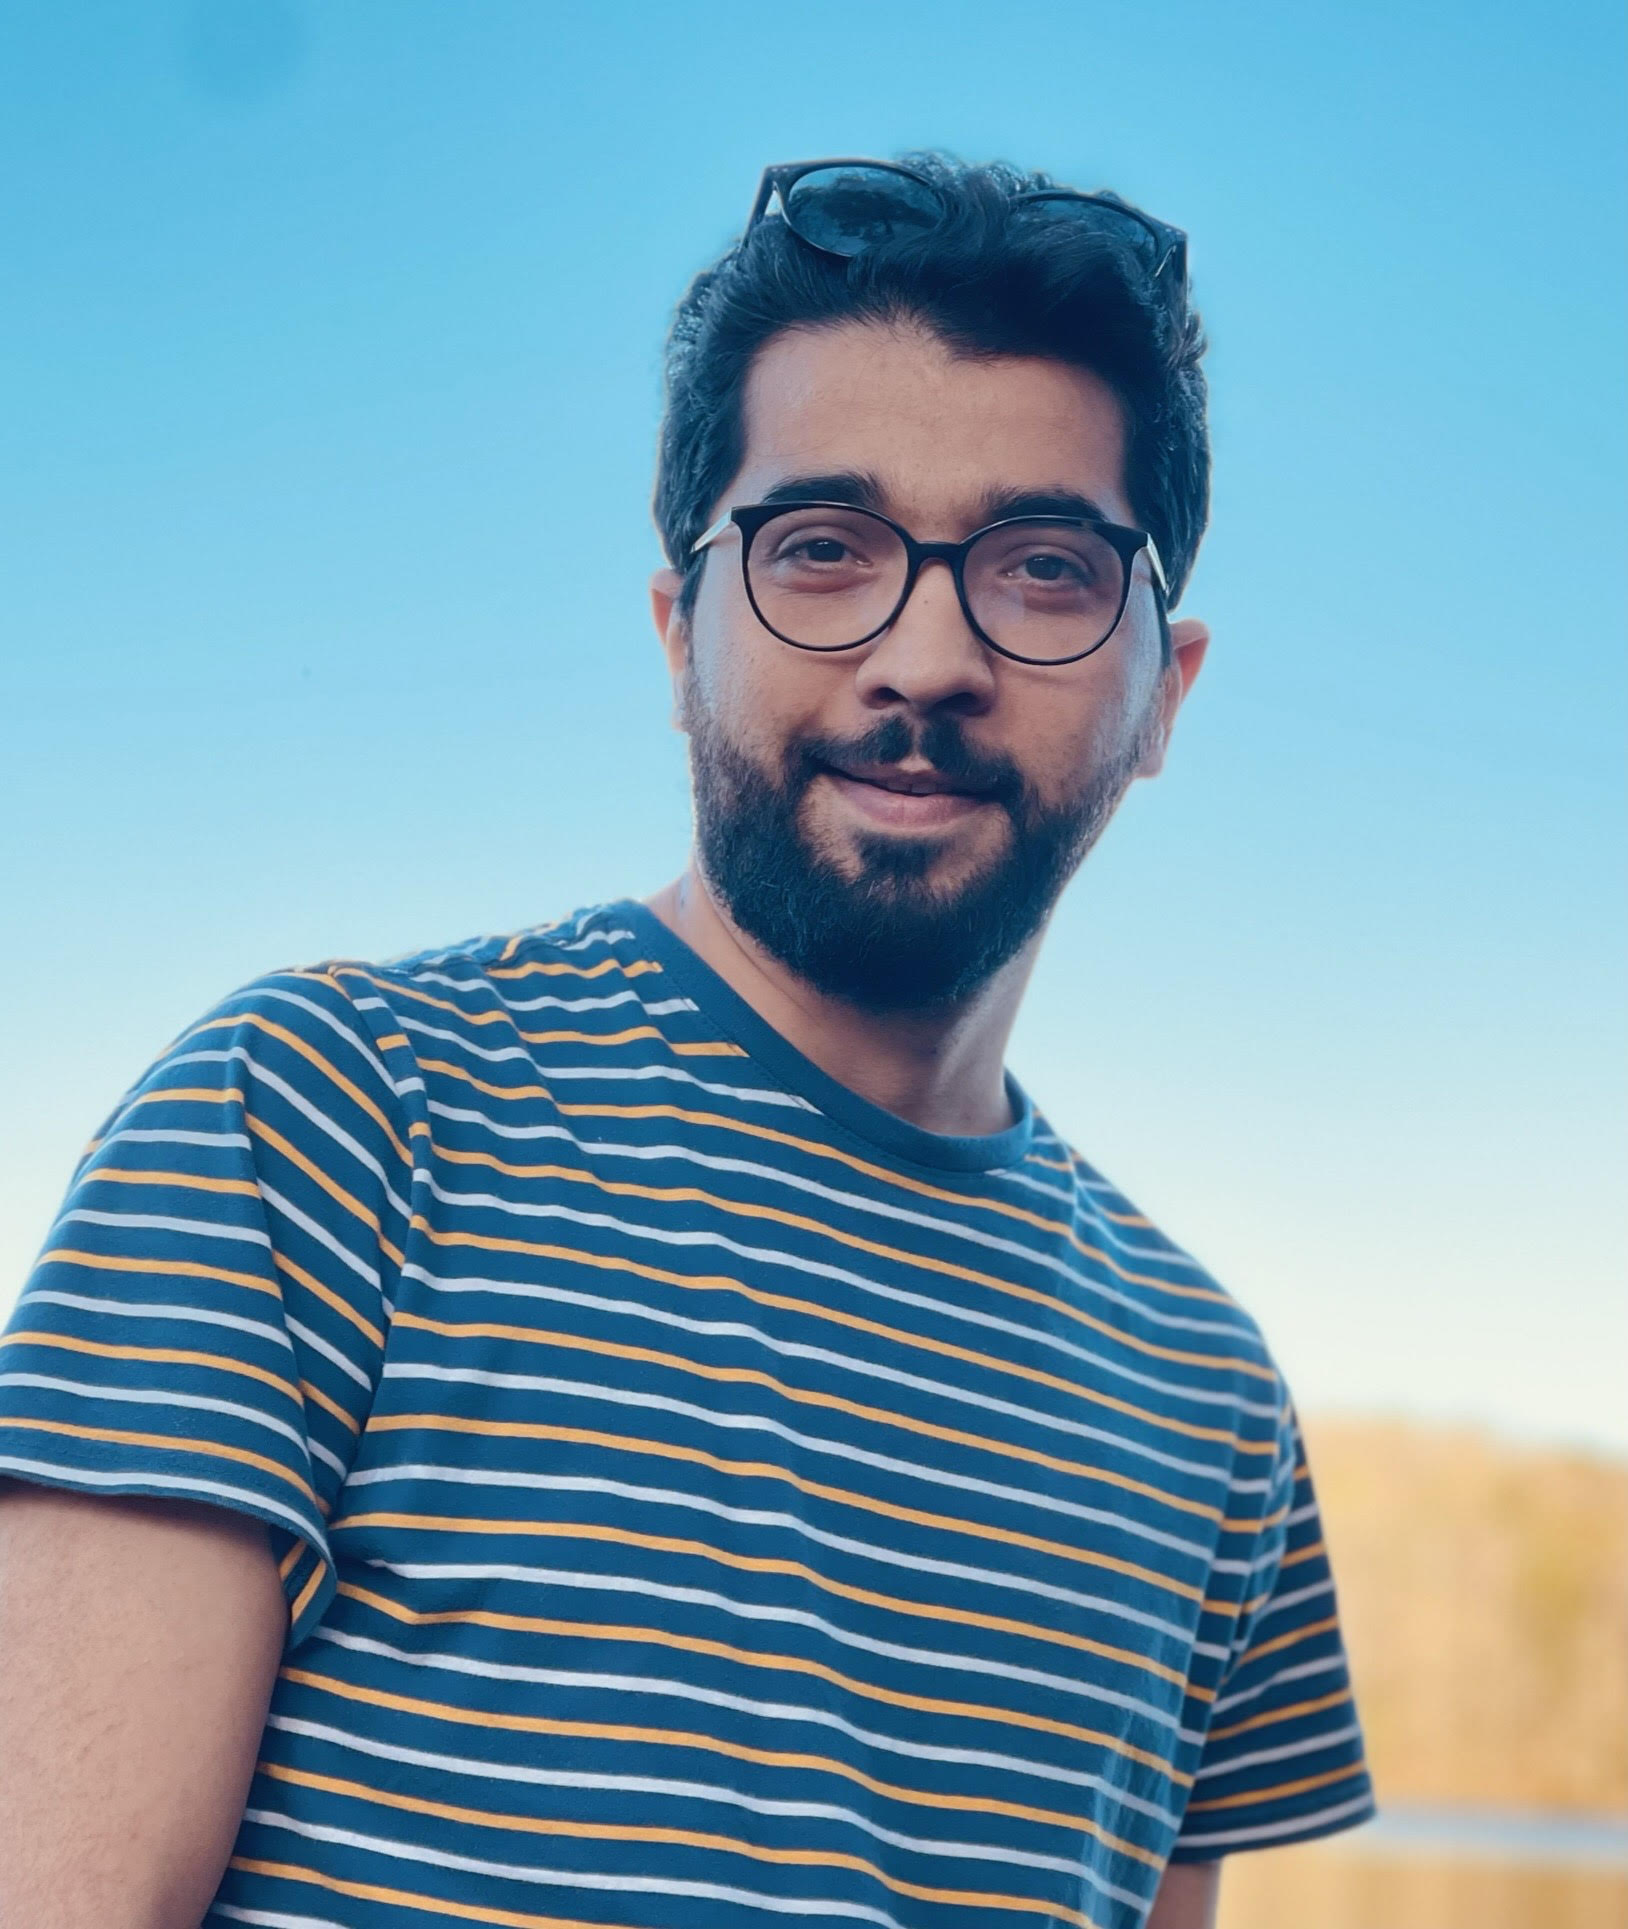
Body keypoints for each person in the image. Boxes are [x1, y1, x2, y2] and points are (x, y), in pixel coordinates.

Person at [0, 154, 1374, 1929]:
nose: (928, 653)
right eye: (824, 550)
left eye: (1043, 569)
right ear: (678, 634)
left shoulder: (1217, 1404)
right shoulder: (321, 1121)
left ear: (1164, 692)